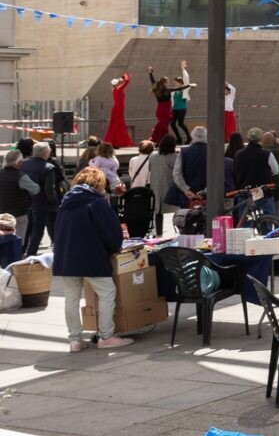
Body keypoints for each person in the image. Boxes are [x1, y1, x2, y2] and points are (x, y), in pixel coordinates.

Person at [53, 167, 134, 351]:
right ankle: (106, 336)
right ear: (99, 183)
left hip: (67, 257)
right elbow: (110, 232)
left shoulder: (65, 202)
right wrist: (116, 247)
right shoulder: (97, 202)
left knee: (71, 299)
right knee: (107, 293)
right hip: (91, 257)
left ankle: (74, 340)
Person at [20, 142, 60, 256]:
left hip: (27, 201)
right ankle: (53, 250)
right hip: (44, 203)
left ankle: (23, 250)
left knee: (29, 227)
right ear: (46, 153)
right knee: (49, 228)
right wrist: (55, 201)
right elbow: (49, 189)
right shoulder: (49, 168)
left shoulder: (23, 164)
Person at [148, 135, 179, 237]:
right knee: (176, 210)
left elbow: (150, 168)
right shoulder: (176, 156)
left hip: (156, 187)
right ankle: (176, 231)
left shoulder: (153, 155)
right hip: (170, 187)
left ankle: (159, 233)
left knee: (158, 211)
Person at [105, 72, 133, 149]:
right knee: (118, 125)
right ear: (117, 84)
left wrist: (121, 79)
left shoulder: (114, 89)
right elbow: (127, 81)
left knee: (115, 126)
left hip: (117, 109)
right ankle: (116, 143)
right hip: (118, 109)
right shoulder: (119, 89)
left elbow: (123, 82)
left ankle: (114, 142)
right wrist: (125, 75)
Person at [169, 60, 193, 144]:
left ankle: (189, 137)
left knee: (181, 124)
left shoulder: (184, 89)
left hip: (182, 109)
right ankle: (179, 138)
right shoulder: (174, 91)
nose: (175, 83)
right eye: (174, 82)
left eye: (176, 82)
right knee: (172, 124)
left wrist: (183, 69)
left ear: (180, 83)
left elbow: (186, 79)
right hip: (174, 109)